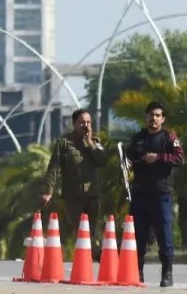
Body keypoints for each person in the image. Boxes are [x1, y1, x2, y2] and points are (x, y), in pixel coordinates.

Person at [41, 108, 111, 264]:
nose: (85, 126)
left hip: (92, 196)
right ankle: (101, 256)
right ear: (74, 124)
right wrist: (48, 191)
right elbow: (54, 167)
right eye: (82, 122)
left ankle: (92, 260)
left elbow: (102, 161)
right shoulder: (64, 143)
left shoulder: (96, 142)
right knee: (81, 231)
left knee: (91, 231)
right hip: (73, 197)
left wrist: (90, 143)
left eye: (88, 122)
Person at [127, 101, 184, 288]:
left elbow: (179, 157)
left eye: (158, 115)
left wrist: (158, 158)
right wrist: (135, 161)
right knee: (138, 237)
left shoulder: (169, 137)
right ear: (146, 117)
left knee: (165, 237)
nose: (154, 118)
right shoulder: (138, 138)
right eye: (151, 115)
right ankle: (138, 273)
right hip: (140, 195)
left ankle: (167, 273)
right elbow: (129, 158)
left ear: (163, 118)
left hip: (162, 195)